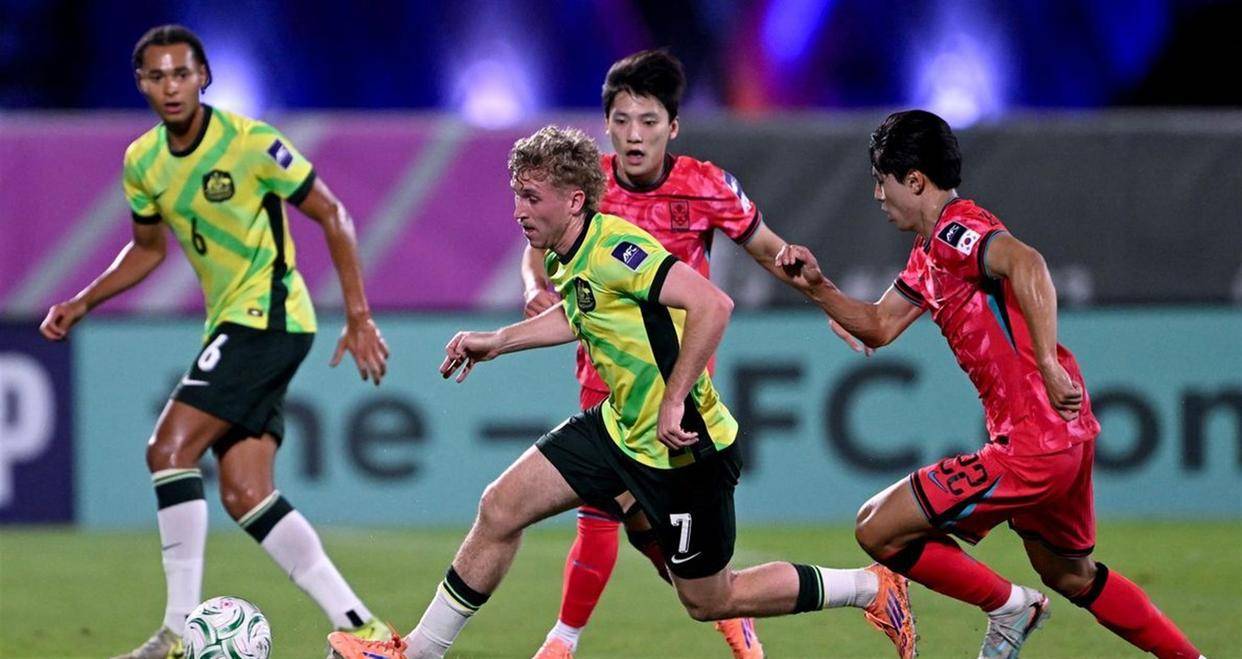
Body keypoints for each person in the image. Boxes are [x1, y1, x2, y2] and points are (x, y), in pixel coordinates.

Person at [327, 125, 916, 659]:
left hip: (685, 449)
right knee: (500, 507)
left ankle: (869, 588)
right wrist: (498, 341)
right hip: (619, 429)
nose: (518, 211)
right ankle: (416, 654)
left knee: (711, 599)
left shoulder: (615, 249)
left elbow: (713, 305)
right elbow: (579, 312)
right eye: (516, 195)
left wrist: (674, 397)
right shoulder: (566, 252)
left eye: (531, 197)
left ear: (573, 201)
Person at [776, 109, 1204, 659]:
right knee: (1070, 574)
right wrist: (817, 288)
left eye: (882, 180)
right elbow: (878, 326)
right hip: (1064, 434)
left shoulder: (958, 231)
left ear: (914, 181)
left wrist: (1047, 362)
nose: (877, 195)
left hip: (1032, 443)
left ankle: (1010, 607)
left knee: (876, 528)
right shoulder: (929, 251)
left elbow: (1029, 264)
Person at [38, 24, 392, 659]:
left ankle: (178, 633)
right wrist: (83, 300)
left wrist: (359, 315)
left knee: (167, 448)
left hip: (269, 317)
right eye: (157, 76)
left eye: (182, 73)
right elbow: (148, 250)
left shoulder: (251, 143)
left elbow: (333, 214)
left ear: (204, 77)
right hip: (234, 321)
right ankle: (367, 632)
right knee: (245, 493)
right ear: (141, 84)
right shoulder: (143, 161)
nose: (171, 87)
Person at [519, 49, 866, 659]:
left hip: (677, 386)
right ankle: (721, 616)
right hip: (603, 371)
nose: (634, 134)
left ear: (673, 127)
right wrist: (533, 286)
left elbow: (772, 252)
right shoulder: (587, 187)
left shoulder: (705, 187)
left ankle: (563, 641)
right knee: (634, 523)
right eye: (622, 120)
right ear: (606, 125)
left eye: (648, 121)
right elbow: (538, 248)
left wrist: (836, 307)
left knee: (610, 510)